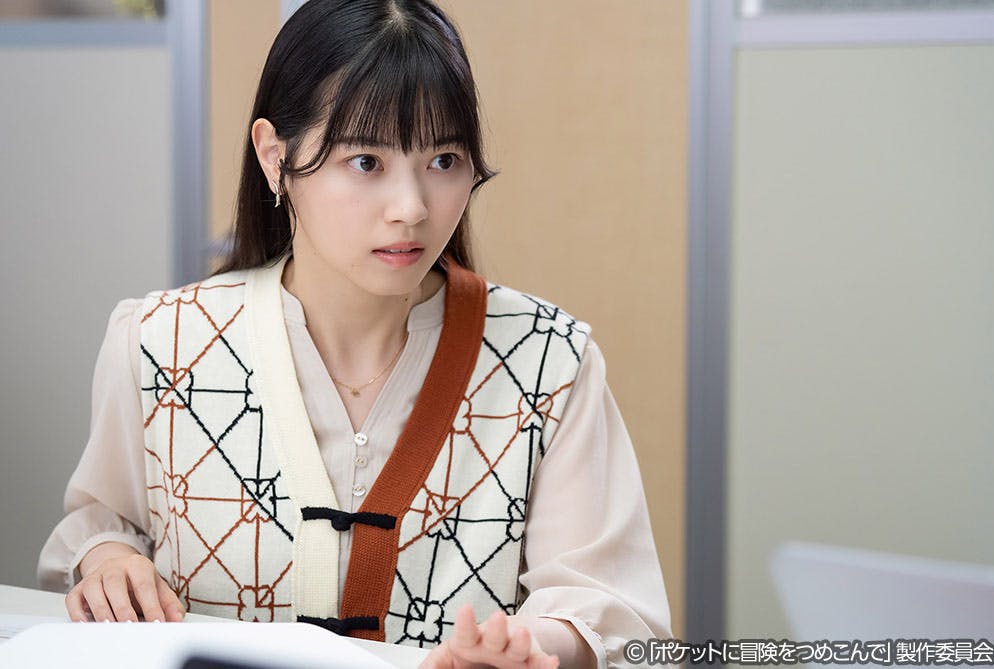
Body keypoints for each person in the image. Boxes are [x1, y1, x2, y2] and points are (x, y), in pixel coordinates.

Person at [37, 1, 671, 667]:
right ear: (275, 157)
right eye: (366, 161)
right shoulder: (159, 342)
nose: (412, 208)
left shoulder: (550, 362)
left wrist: (521, 649)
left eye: (444, 159)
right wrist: (107, 559)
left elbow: (605, 611)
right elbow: (103, 526)